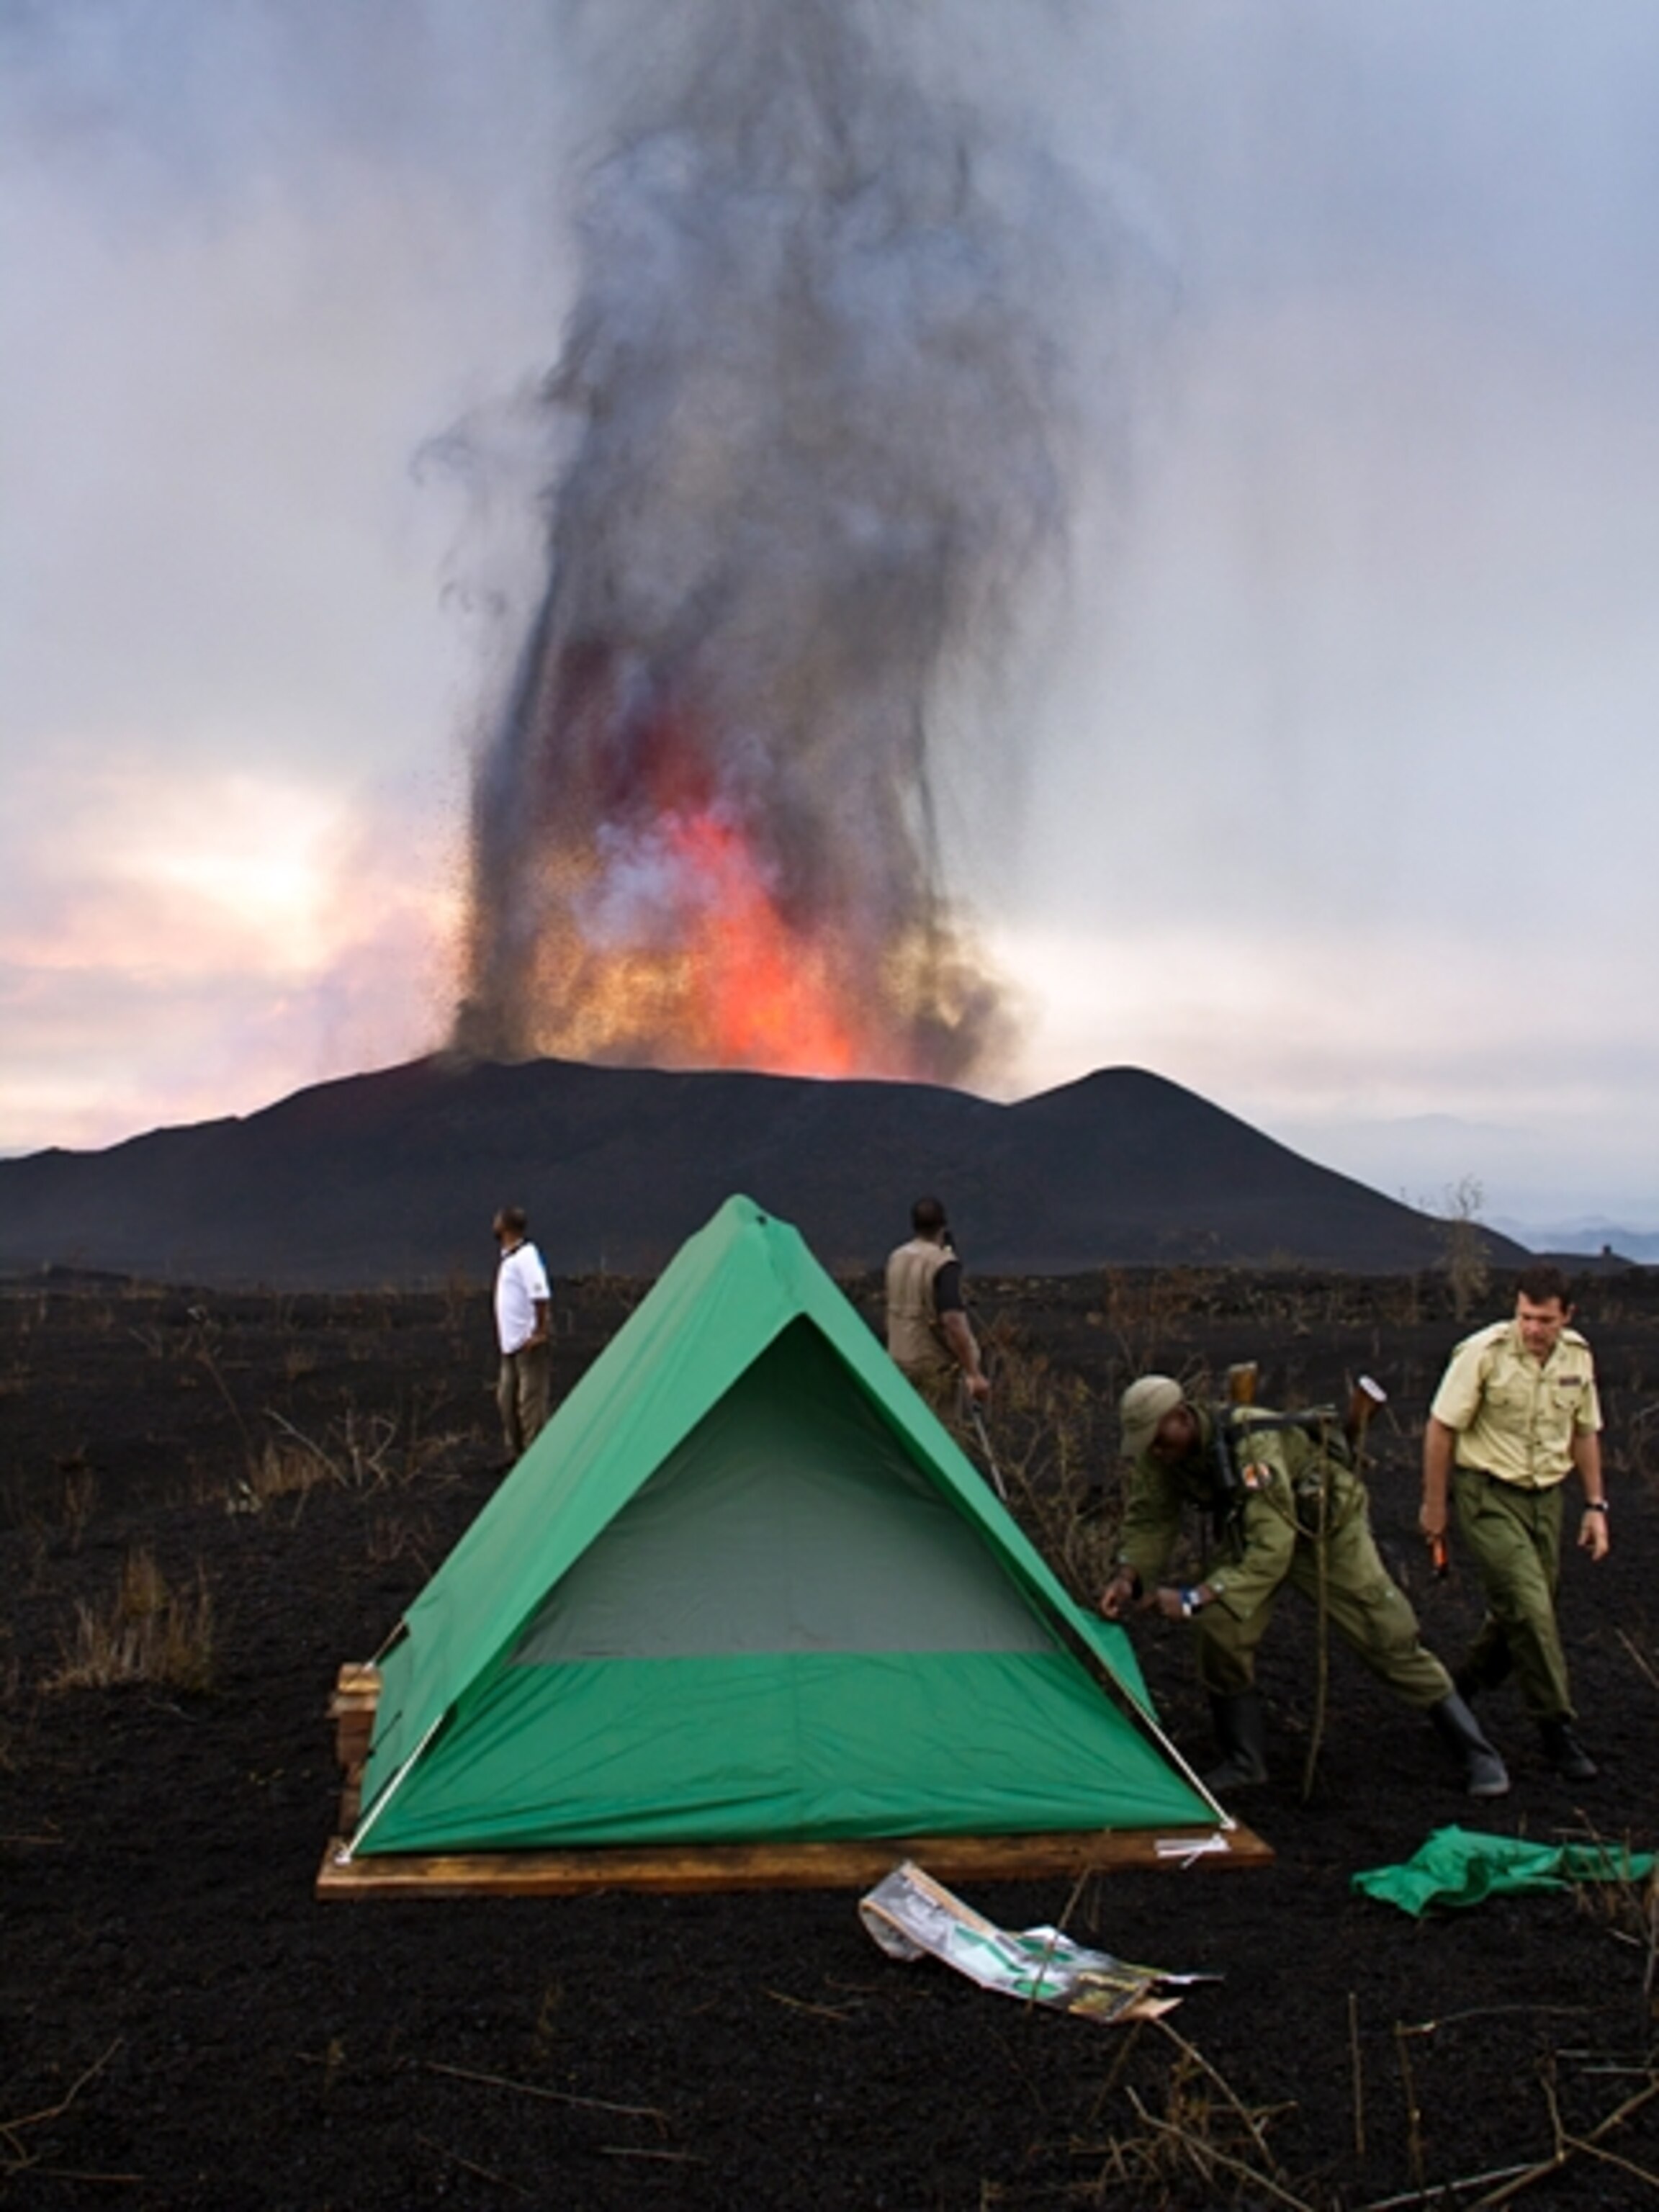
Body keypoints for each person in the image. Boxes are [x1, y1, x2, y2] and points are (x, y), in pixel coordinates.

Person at [1100, 1375, 1509, 1797]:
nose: (1155, 1451)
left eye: (1159, 1438)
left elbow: (1273, 1549)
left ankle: (1477, 1753)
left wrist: (1193, 1597)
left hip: (1323, 1532)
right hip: (1255, 1531)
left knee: (1385, 1635)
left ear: (1182, 1417)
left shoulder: (1252, 1444)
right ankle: (1244, 1761)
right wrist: (1130, 1576)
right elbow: (1151, 1518)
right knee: (1221, 1630)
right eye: (1147, 1443)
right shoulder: (1162, 1454)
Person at [1420, 1264, 1609, 1782]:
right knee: (1530, 1607)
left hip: (1546, 1498)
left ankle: (1456, 1693)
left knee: (1524, 1610)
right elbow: (1441, 1428)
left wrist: (1596, 1506)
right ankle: (1556, 1729)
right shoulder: (1483, 1353)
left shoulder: (1578, 1357)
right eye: (1525, 1316)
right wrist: (1435, 1507)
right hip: (1488, 1494)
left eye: (1545, 1320)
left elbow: (1585, 1431)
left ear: (1566, 1316)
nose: (1533, 1329)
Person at [884, 1196, 991, 1416]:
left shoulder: (897, 1257)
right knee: (940, 1431)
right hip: (931, 1364)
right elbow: (953, 1320)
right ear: (943, 1225)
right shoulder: (944, 1264)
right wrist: (973, 1373)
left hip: (897, 1359)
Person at [493, 1205, 551, 1462]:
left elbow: (540, 1295)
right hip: (510, 1345)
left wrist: (540, 1331)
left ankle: (534, 1459)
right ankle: (515, 1454)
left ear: (505, 1226)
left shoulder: (526, 1256)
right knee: (507, 1400)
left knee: (530, 1403)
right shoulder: (509, 1258)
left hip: (528, 1345)